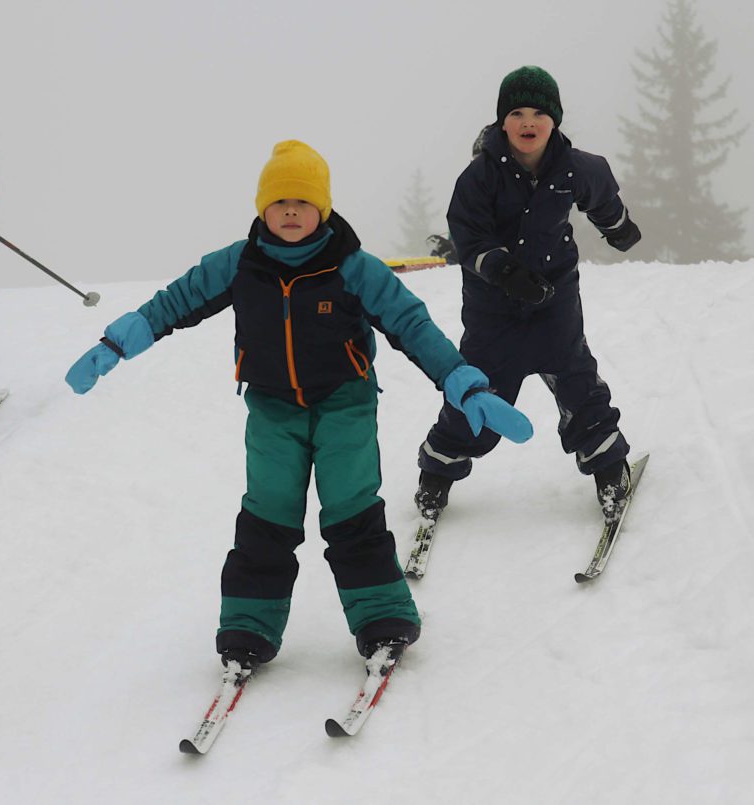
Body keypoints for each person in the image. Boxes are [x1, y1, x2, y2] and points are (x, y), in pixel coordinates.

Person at [66, 140, 533, 671]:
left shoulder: (353, 267)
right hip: (272, 407)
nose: (291, 212)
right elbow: (176, 301)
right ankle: (249, 624)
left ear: (323, 210)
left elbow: (411, 323)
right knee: (267, 513)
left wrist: (463, 383)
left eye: (303, 202)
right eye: (280, 202)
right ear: (263, 208)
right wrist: (117, 342)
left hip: (345, 403)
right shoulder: (239, 264)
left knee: (351, 509)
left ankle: (382, 616)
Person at [415, 66, 642, 525]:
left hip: (554, 298)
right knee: (480, 389)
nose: (528, 122)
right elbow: (469, 237)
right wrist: (503, 270)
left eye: (539, 113)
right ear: (503, 121)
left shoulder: (574, 167)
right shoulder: (479, 177)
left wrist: (617, 226)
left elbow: (600, 192)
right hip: (493, 308)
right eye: (517, 113)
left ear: (554, 120)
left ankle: (607, 464)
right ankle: (438, 470)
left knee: (575, 376)